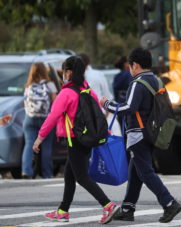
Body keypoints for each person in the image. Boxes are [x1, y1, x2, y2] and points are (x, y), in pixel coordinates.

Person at [32, 56, 119, 224]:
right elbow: (97, 113)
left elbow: (53, 116)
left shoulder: (66, 93)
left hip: (74, 139)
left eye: (64, 71)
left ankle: (108, 205)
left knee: (81, 176)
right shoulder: (87, 89)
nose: (62, 74)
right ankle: (63, 211)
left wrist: (40, 138)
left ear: (69, 72)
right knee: (70, 175)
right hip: (86, 138)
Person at [100, 48, 181, 223]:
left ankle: (169, 203)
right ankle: (128, 208)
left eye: (130, 66)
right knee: (136, 171)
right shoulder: (156, 81)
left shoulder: (138, 82)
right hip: (152, 132)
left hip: (138, 133)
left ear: (134, 65)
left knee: (145, 171)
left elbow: (128, 108)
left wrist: (107, 104)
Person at [22, 62, 57, 179]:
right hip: (45, 119)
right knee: (46, 147)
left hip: (29, 119)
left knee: (29, 145)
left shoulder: (28, 85)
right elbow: (56, 102)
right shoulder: (50, 85)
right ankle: (47, 174)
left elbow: (25, 103)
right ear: (44, 71)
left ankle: (26, 171)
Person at [112, 56, 132, 133]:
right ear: (125, 64)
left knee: (123, 132)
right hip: (130, 108)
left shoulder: (117, 77)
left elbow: (115, 95)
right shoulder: (129, 74)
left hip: (120, 107)